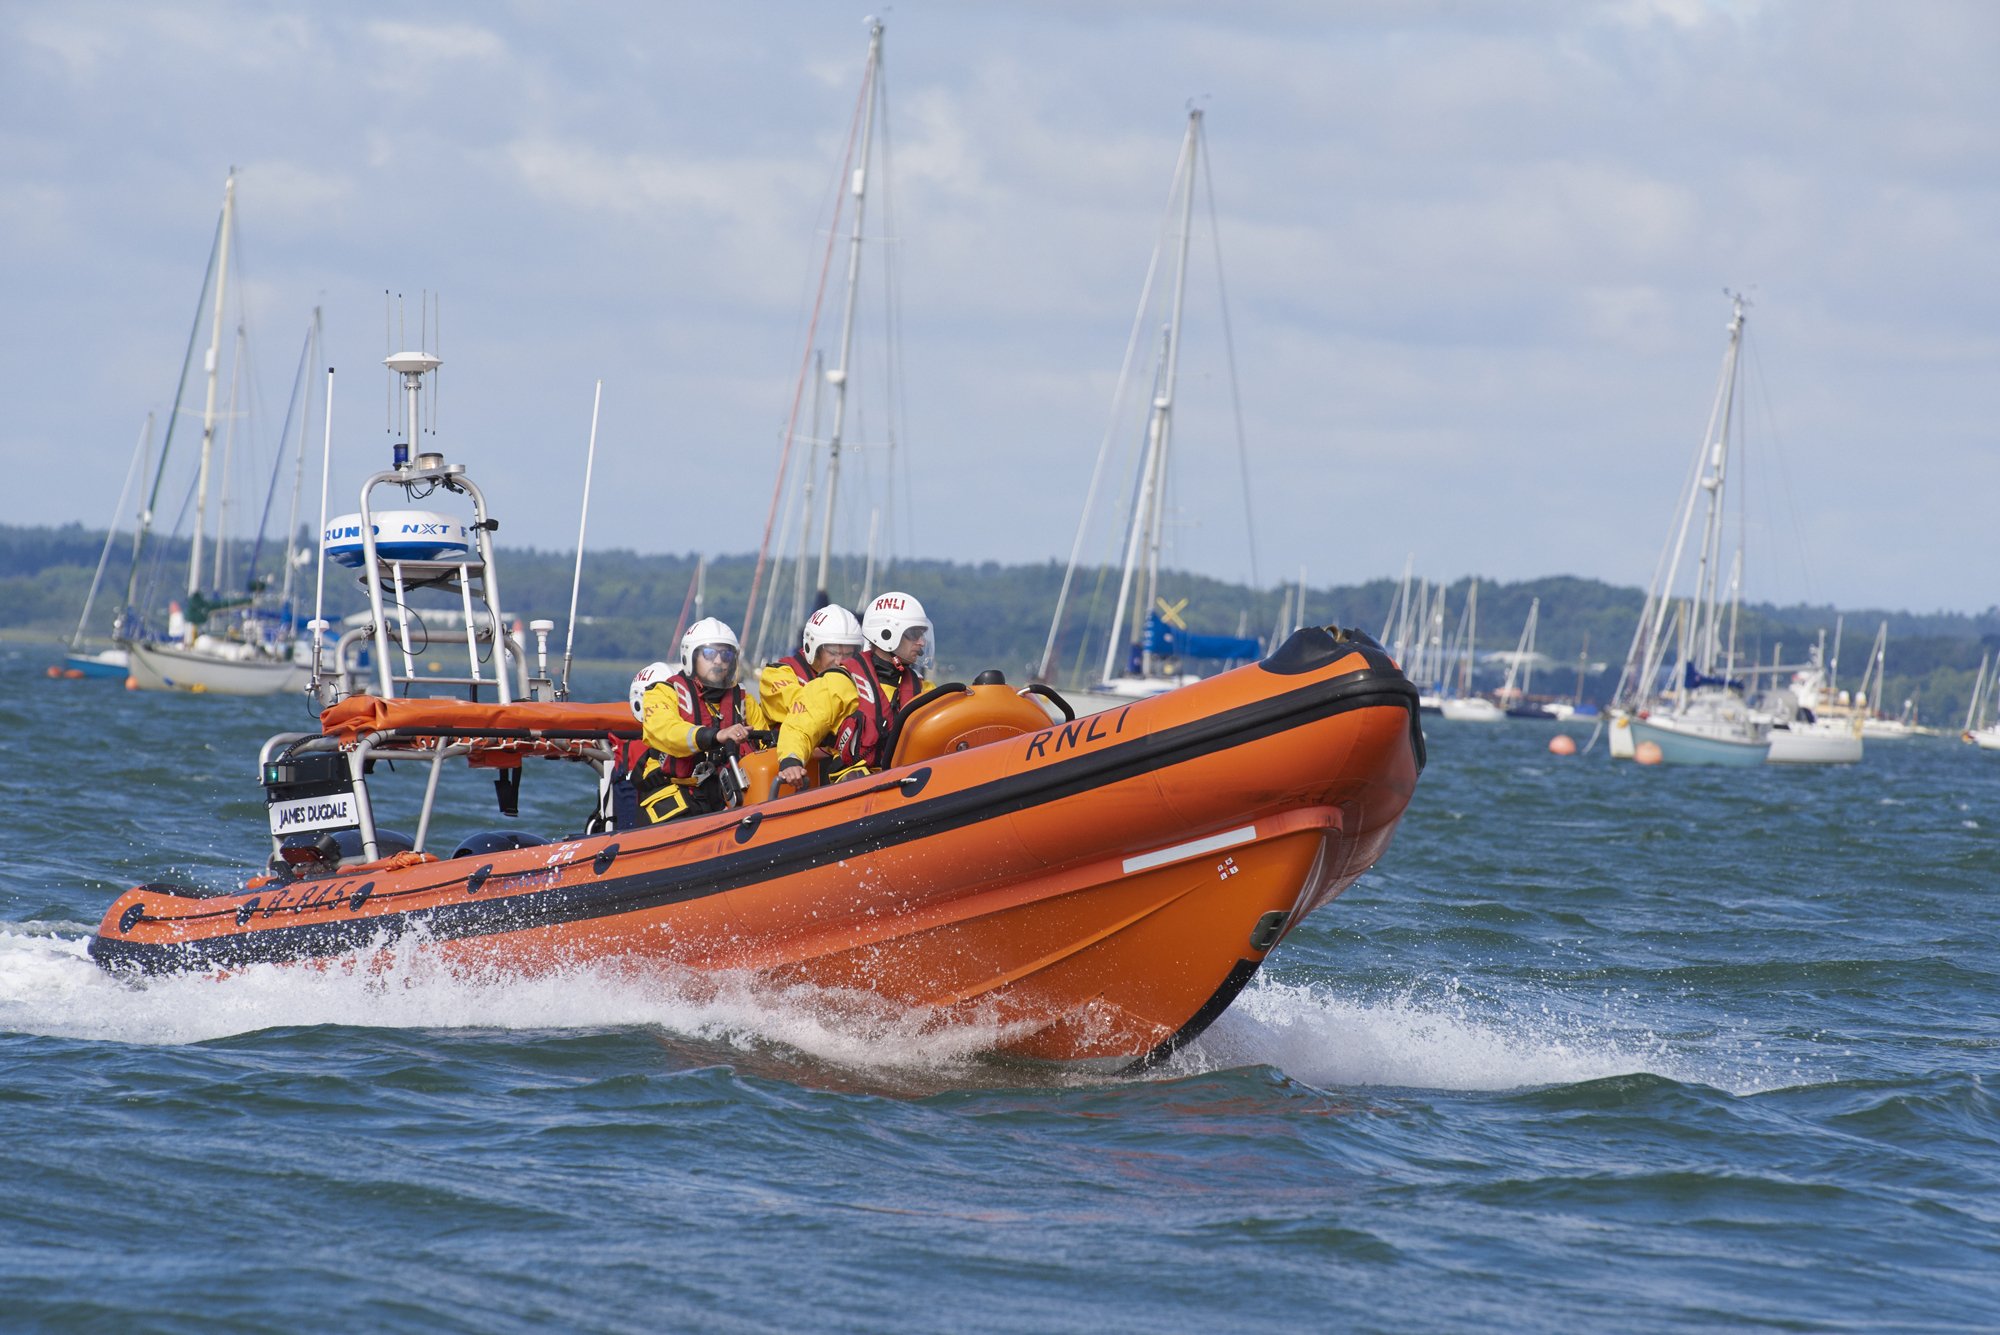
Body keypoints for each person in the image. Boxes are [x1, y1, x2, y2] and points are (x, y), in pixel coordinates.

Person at [776, 591, 934, 787]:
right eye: (914, 634)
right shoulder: (840, 682)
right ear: (886, 634)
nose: (921, 642)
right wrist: (791, 760)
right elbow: (800, 726)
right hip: (853, 785)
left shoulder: (923, 689)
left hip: (909, 779)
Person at [627, 617, 775, 824]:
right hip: (674, 791)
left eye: (726, 655)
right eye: (710, 654)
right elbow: (666, 731)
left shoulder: (743, 700)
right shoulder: (663, 693)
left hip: (724, 793)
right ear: (691, 657)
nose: (718, 661)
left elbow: (765, 745)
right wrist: (715, 735)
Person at [758, 603, 864, 718]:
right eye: (833, 653)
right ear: (813, 648)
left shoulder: (858, 683)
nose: (839, 662)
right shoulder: (776, 674)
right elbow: (797, 709)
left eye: (848, 654)